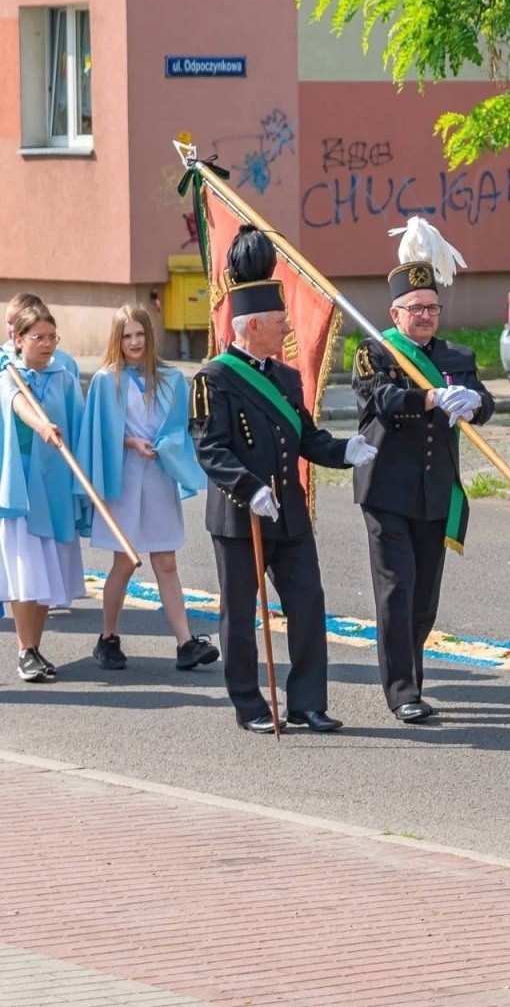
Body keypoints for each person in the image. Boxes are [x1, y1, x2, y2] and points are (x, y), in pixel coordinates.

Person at [189, 225, 377, 734]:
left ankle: (308, 703)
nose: (286, 329)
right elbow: (211, 447)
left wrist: (345, 451)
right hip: (241, 515)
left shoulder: (288, 378)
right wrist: (249, 489)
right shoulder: (214, 379)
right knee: (240, 616)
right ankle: (249, 704)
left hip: (288, 513)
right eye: (278, 322)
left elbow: (306, 439)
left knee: (308, 605)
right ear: (250, 326)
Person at [352, 218, 493, 723]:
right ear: (396, 312)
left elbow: (486, 404)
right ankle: (402, 690)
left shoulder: (458, 355)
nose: (427, 316)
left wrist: (473, 400)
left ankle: (410, 668)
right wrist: (431, 397)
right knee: (397, 590)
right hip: (387, 491)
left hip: (437, 492)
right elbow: (382, 401)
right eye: (417, 309)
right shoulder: (375, 352)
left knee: (425, 598)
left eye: (433, 307)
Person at [78, 305, 214, 671]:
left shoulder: (171, 378)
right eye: (127, 336)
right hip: (123, 479)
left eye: (140, 334)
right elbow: (97, 432)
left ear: (150, 336)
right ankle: (108, 638)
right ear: (117, 340)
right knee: (123, 561)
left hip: (157, 477)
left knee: (166, 560)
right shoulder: (107, 381)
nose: (134, 342)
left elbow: (184, 429)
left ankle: (185, 642)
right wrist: (130, 443)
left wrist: (169, 446)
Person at [0, 305, 88, 681]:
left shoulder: (64, 377)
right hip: (22, 488)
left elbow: (80, 424)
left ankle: (34, 648)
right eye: (39, 337)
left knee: (46, 573)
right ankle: (24, 650)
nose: (47, 344)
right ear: (18, 340)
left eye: (52, 337)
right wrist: (42, 426)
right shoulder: (8, 376)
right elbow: (20, 408)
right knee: (26, 571)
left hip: (53, 487)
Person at [3, 293, 80, 378]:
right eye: (9, 323)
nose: (13, 329)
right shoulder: (3, 356)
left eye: (19, 322)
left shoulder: (64, 362)